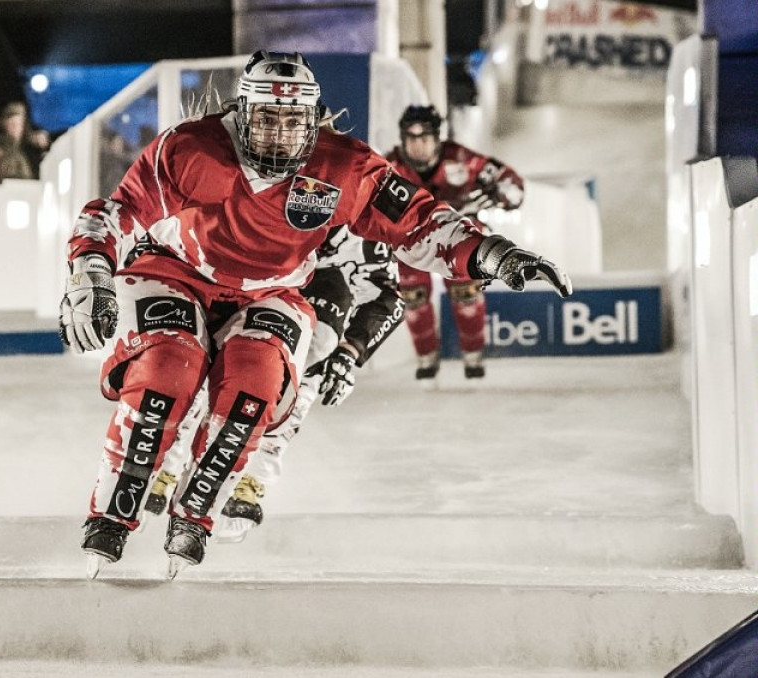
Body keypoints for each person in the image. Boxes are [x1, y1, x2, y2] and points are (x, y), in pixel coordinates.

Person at [60, 51, 571, 578]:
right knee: (168, 367)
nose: (280, 135)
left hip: (273, 290)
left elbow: (416, 221)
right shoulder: (190, 147)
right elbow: (118, 211)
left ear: (315, 119)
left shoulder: (345, 167)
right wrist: (91, 273)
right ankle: (111, 515)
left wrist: (491, 253)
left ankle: (198, 511)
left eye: (293, 121)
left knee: (256, 380)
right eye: (266, 120)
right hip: (174, 270)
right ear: (240, 113)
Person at [143, 228, 405, 542]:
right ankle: (164, 465)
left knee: (302, 377)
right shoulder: (266, 201)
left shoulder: (365, 235)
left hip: (322, 301)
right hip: (249, 293)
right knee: (205, 369)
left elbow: (388, 298)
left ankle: (249, 481)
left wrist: (349, 353)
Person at [387, 104, 525, 381]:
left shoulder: (460, 157)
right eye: (411, 139)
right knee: (413, 297)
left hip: (460, 237)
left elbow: (509, 181)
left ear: (438, 138)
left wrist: (502, 194)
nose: (418, 147)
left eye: (425, 138)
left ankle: (473, 359)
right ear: (402, 140)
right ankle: (427, 360)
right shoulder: (390, 165)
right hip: (411, 240)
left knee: (466, 293)